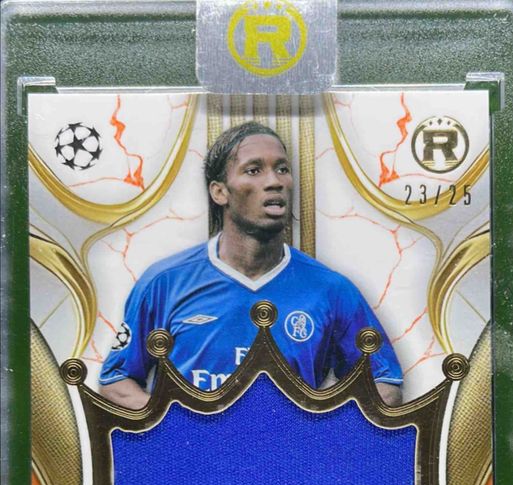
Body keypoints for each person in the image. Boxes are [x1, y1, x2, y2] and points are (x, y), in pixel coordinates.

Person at [99, 122, 402, 409]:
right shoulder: (164, 283)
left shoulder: (332, 290)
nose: (275, 182)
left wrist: (321, 430)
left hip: (290, 450)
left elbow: (385, 384)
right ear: (220, 192)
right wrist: (181, 425)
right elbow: (116, 381)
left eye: (282, 169)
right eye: (254, 170)